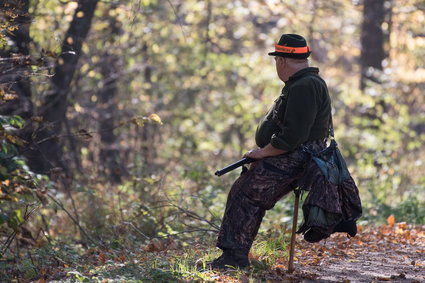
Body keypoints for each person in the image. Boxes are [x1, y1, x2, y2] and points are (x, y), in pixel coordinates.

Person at [209, 33, 334, 269]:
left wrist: (263, 153)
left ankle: (232, 260)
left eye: (276, 60)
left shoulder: (304, 85)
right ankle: (232, 257)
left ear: (282, 61)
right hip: (295, 155)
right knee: (245, 191)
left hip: (296, 156)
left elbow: (293, 136)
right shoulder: (303, 83)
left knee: (245, 193)